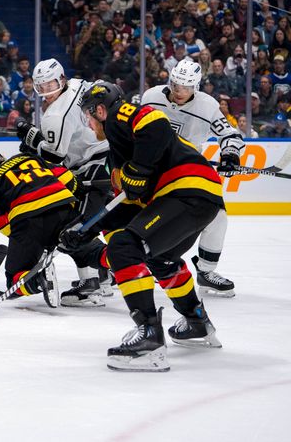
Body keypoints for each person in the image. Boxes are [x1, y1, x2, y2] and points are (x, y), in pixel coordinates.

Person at [62, 83, 223, 372]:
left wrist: (139, 170)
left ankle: (149, 338)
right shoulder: (119, 151)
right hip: (197, 197)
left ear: (99, 109)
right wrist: (87, 228)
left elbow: (156, 123)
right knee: (160, 259)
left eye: (88, 115)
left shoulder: (117, 118)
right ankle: (197, 323)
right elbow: (129, 204)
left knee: (125, 247)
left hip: (184, 190)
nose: (88, 123)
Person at [141, 59, 243, 296]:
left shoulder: (207, 107)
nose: (179, 92)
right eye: (176, 85)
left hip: (184, 173)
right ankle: (120, 265)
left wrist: (229, 154)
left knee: (217, 215)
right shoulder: (151, 97)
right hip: (149, 170)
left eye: (186, 87)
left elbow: (229, 134)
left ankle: (206, 272)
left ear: (195, 87)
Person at [15, 58, 111, 307]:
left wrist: (32, 139)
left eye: (51, 85)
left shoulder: (54, 115)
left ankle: (91, 285)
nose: (47, 92)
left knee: (72, 227)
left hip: (92, 169)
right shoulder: (80, 84)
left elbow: (55, 157)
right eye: (42, 87)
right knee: (98, 222)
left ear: (62, 80)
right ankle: (103, 274)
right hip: (110, 159)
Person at [0, 148, 78, 305]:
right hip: (64, 209)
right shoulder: (29, 157)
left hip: (30, 222)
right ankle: (116, 261)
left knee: (14, 281)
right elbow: (68, 179)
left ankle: (38, 280)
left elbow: (5, 226)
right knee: (91, 249)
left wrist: (32, 246)